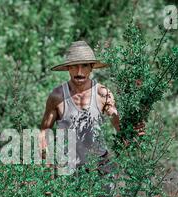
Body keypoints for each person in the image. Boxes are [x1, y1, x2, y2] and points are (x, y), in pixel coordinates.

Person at [39, 40, 144, 175]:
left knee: (106, 195)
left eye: (84, 66)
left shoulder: (102, 93)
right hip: (68, 167)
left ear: (91, 67)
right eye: (74, 66)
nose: (79, 71)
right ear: (68, 68)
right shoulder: (57, 96)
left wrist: (132, 129)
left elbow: (118, 124)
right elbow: (44, 131)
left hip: (100, 165)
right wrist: (46, 156)